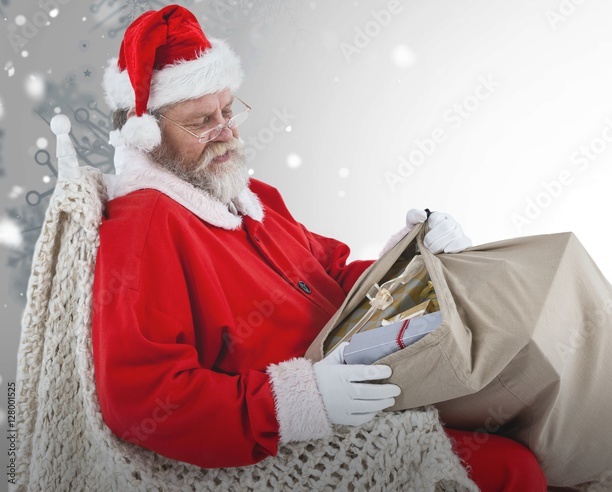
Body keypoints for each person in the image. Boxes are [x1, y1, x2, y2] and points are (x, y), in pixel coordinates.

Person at [91, 5, 547, 490]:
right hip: (294, 446)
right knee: (511, 469)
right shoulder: (144, 226)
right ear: (147, 135)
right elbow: (140, 399)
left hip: (377, 384)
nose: (226, 131)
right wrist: (298, 401)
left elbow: (335, 275)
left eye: (228, 110)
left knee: (533, 404)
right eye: (202, 121)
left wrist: (419, 260)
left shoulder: (250, 197)